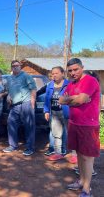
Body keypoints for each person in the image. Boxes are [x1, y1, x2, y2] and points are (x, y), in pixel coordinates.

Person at [59, 58, 100, 197]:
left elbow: (80, 100)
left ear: (82, 67)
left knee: (87, 158)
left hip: (88, 125)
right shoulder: (71, 84)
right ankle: (81, 181)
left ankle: (86, 189)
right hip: (74, 123)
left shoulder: (90, 80)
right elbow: (61, 100)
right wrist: (75, 99)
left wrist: (71, 100)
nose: (73, 73)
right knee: (80, 155)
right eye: (70, 70)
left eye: (76, 69)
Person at [3, 60, 37, 156]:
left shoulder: (26, 76)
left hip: (26, 103)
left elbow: (33, 89)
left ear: (20, 66)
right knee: (11, 123)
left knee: (29, 126)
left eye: (17, 65)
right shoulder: (9, 78)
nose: (15, 67)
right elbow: (9, 90)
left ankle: (30, 148)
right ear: (11, 67)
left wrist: (32, 102)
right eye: (13, 66)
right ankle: (12, 145)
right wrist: (9, 96)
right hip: (14, 105)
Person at [43, 66, 69, 161]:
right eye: (53, 73)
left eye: (56, 73)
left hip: (66, 112)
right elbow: (46, 99)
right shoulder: (50, 85)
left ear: (62, 73)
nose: (54, 75)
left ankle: (69, 152)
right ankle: (58, 153)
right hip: (54, 112)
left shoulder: (68, 84)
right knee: (56, 133)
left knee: (68, 132)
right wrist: (46, 111)